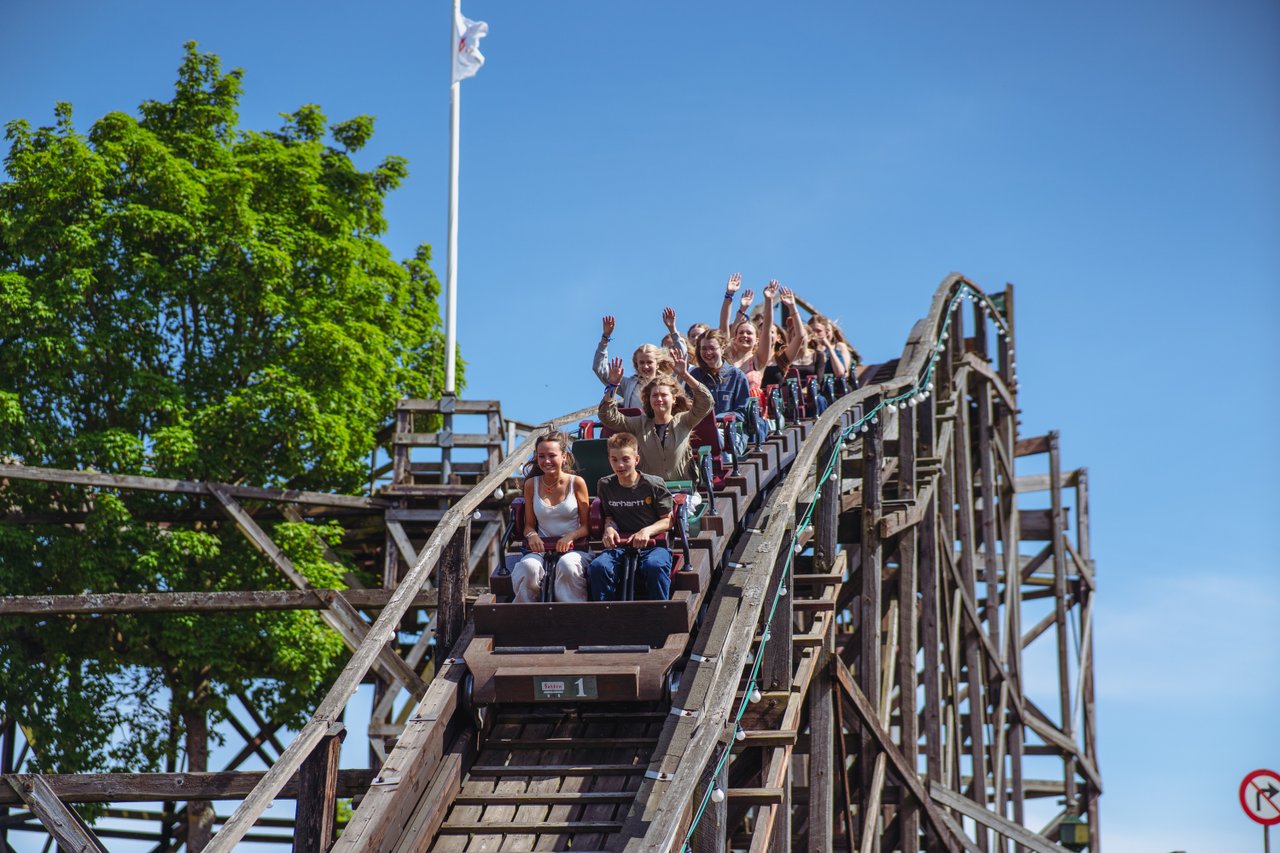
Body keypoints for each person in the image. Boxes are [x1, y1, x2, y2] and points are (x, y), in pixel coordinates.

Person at [599, 347, 714, 483]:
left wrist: (685, 375)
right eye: (654, 396)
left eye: (664, 395)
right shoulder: (640, 424)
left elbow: (706, 402)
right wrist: (613, 386)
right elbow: (607, 415)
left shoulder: (684, 420)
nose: (659, 399)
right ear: (649, 400)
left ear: (674, 399)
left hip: (682, 490)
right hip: (650, 492)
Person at [587, 432, 674, 601]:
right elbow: (609, 515)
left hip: (653, 544)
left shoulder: (653, 484)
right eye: (614, 459)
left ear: (636, 459)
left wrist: (646, 531)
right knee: (598, 566)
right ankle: (605, 613)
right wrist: (609, 528)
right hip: (620, 545)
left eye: (625, 459)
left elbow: (668, 520)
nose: (620, 465)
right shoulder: (605, 485)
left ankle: (661, 611)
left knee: (654, 566)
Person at [510, 431, 591, 602]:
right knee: (528, 567)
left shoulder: (576, 483)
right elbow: (529, 525)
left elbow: (586, 526)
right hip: (542, 548)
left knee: (567, 565)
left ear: (564, 457)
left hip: (574, 547)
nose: (546, 461)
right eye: (541, 456)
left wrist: (570, 536)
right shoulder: (532, 484)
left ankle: (572, 612)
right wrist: (532, 536)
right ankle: (526, 613)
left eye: (552, 455)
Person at [592, 314, 673, 409]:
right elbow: (599, 369)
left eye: (649, 362)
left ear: (658, 364)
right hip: (633, 423)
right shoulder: (629, 384)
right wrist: (605, 338)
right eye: (642, 363)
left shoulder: (668, 384)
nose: (645, 366)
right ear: (636, 365)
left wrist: (673, 330)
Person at [689, 330, 751, 418]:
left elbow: (741, 413)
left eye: (712, 348)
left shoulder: (737, 376)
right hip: (698, 429)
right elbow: (686, 408)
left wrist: (718, 419)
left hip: (727, 429)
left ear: (723, 348)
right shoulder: (694, 375)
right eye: (704, 348)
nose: (708, 352)